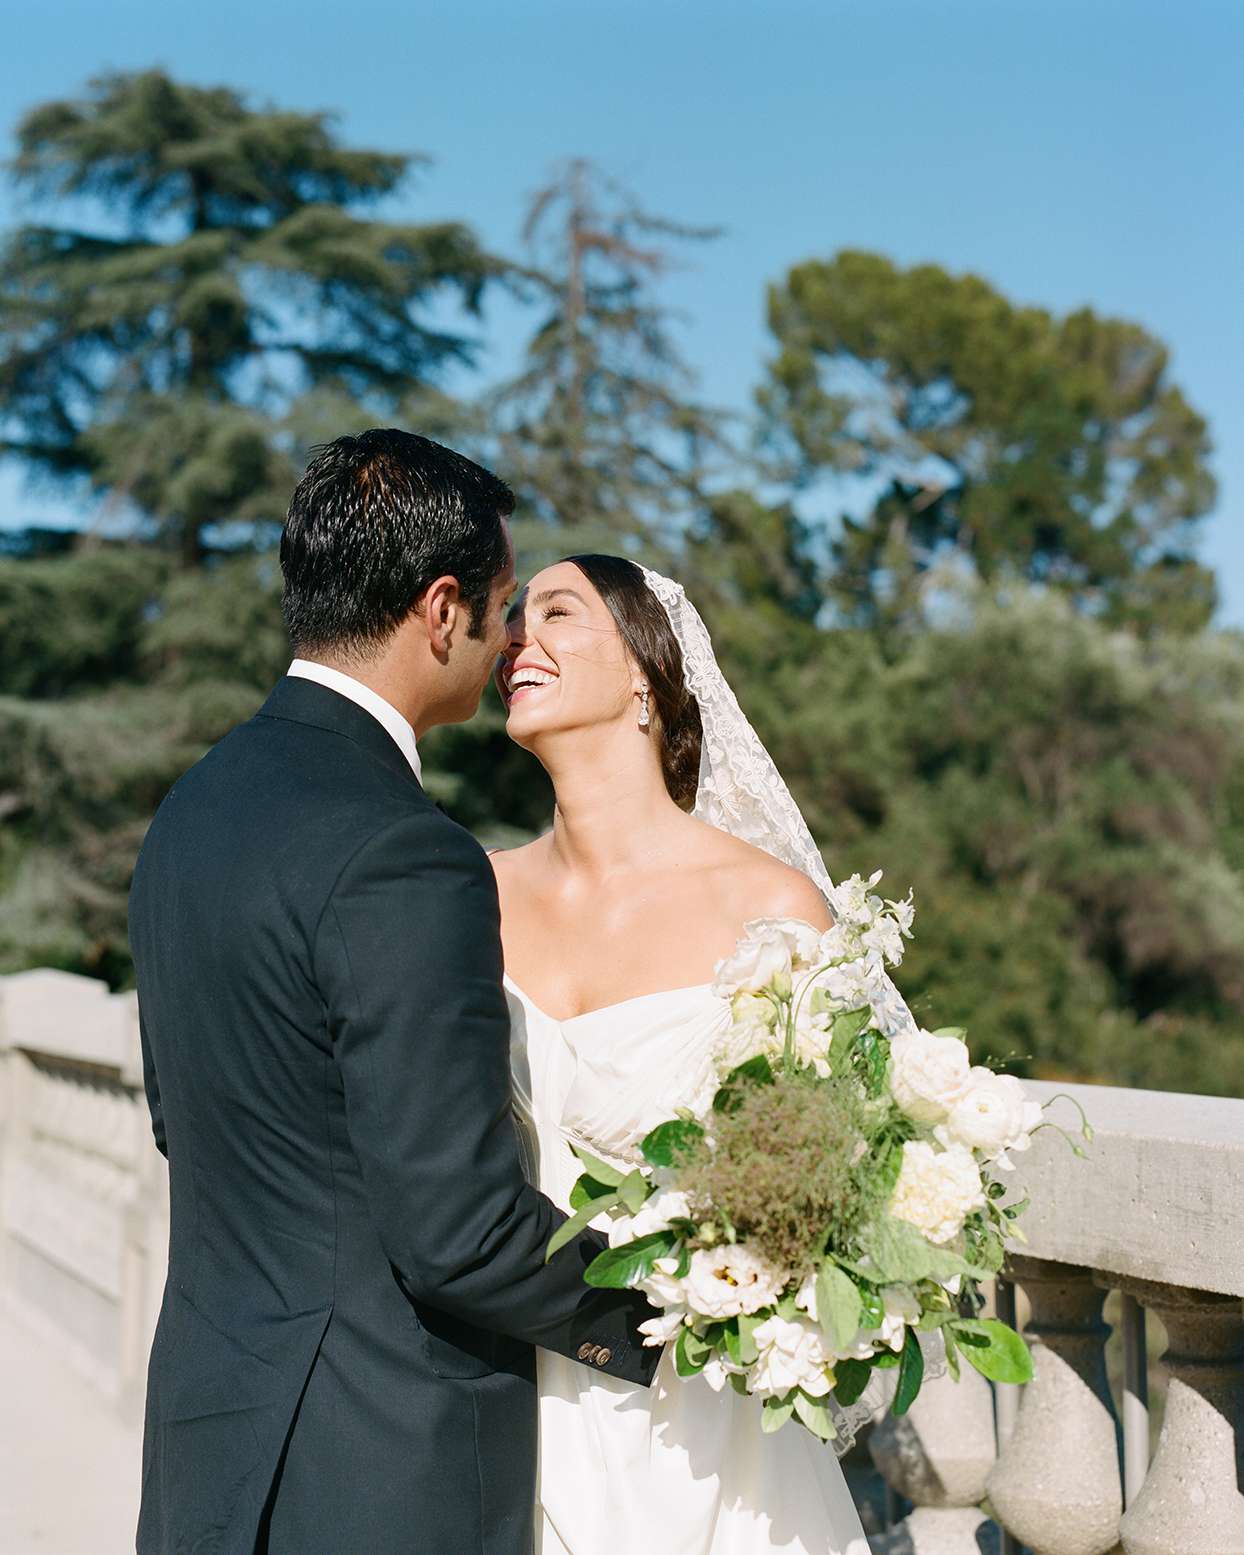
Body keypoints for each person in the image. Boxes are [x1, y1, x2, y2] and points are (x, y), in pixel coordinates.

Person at [128, 434, 659, 1555]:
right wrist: (680, 1309)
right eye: (503, 607)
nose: (510, 641)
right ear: (440, 610)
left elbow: (187, 1120)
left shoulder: (190, 810)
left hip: (213, 1446)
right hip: (377, 1475)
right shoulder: (405, 852)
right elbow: (457, 1233)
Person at [491, 554, 872, 1554]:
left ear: (642, 670)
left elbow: (840, 1175)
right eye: (512, 617)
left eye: (557, 612)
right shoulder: (470, 894)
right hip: (500, 1400)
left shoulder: (770, 909)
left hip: (700, 1426)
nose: (516, 637)